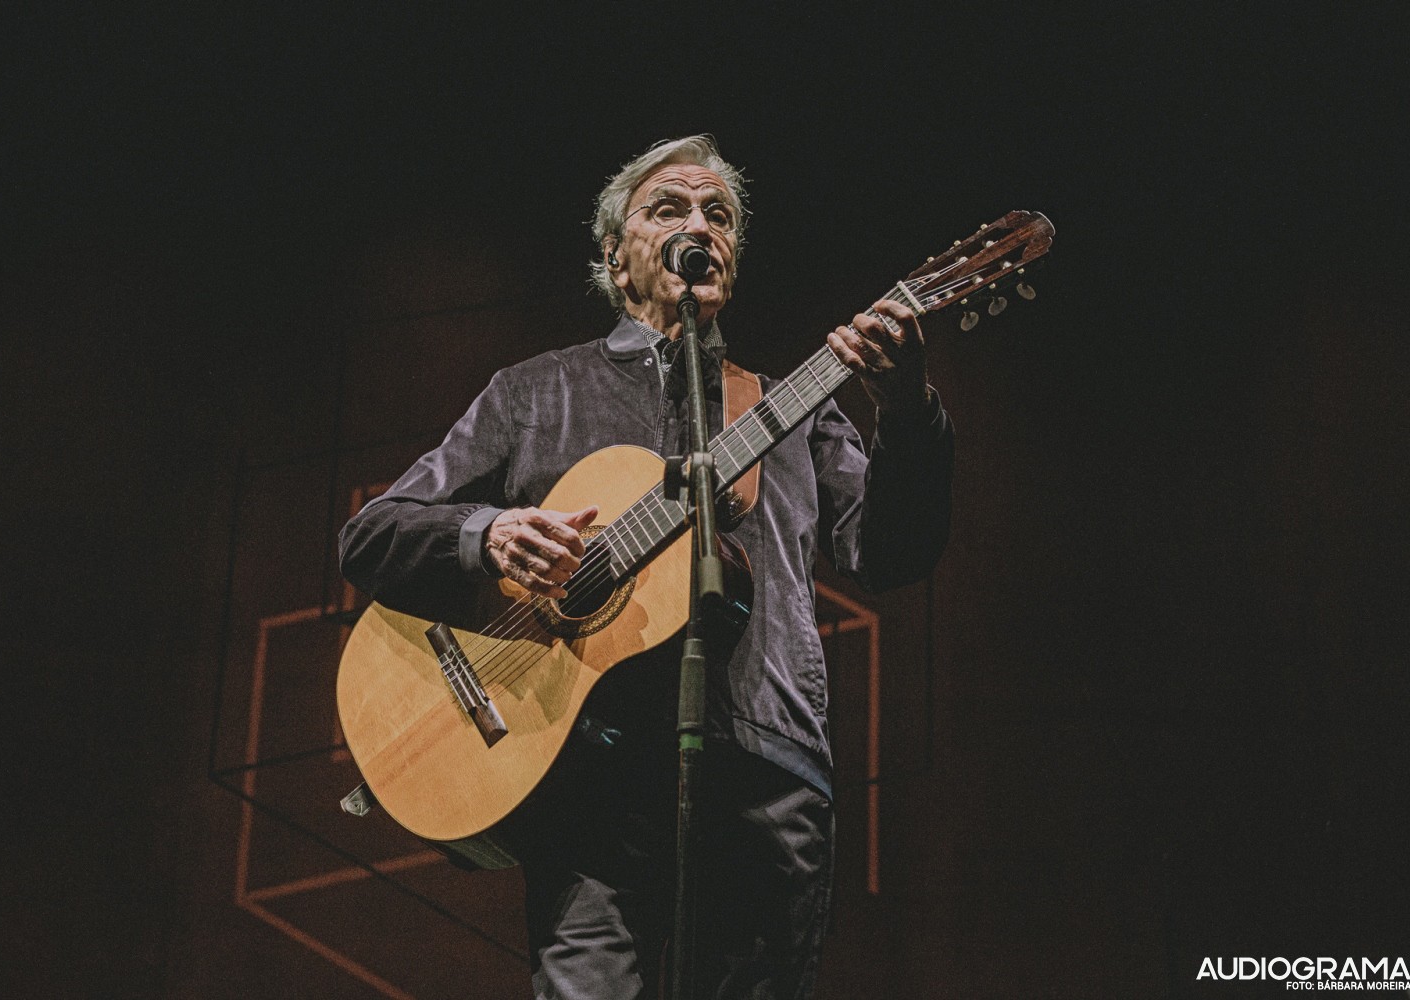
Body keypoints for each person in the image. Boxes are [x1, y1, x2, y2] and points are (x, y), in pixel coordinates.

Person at [338, 135, 954, 1000]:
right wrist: (488, 533)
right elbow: (372, 536)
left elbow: (894, 552)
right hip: (590, 789)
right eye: (668, 208)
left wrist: (907, 409)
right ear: (614, 256)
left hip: (762, 772)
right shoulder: (533, 393)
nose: (698, 224)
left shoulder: (786, 409)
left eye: (719, 214)